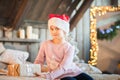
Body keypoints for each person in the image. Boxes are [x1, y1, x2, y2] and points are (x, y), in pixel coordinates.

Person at [34, 14, 93, 80]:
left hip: (73, 71)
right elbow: (38, 61)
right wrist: (34, 71)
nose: (54, 31)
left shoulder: (69, 48)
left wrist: (48, 76)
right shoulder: (45, 44)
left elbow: (64, 67)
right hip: (61, 75)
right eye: (51, 29)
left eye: (57, 29)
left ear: (64, 31)